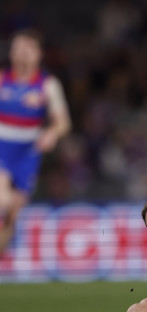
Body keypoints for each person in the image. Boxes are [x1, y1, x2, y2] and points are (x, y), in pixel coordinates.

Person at [0, 29, 71, 255]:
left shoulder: (47, 85)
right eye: (18, 48)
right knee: (2, 198)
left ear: (39, 54)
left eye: (28, 48)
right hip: (2, 147)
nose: (22, 53)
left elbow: (63, 123)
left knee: (13, 213)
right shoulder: (2, 81)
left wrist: (51, 133)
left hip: (28, 153)